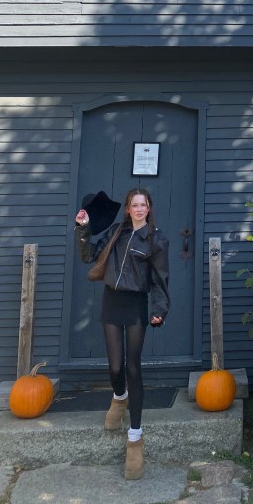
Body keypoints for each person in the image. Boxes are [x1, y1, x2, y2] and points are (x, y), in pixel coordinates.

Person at [74, 187, 170, 480]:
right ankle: (119, 396)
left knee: (132, 367)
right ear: (128, 208)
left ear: (149, 208)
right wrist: (83, 228)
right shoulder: (117, 232)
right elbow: (89, 255)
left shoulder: (156, 240)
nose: (139, 209)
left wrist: (159, 309)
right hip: (112, 302)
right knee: (115, 367)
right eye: (134, 205)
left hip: (136, 305)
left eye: (144, 205)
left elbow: (160, 281)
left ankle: (135, 437)